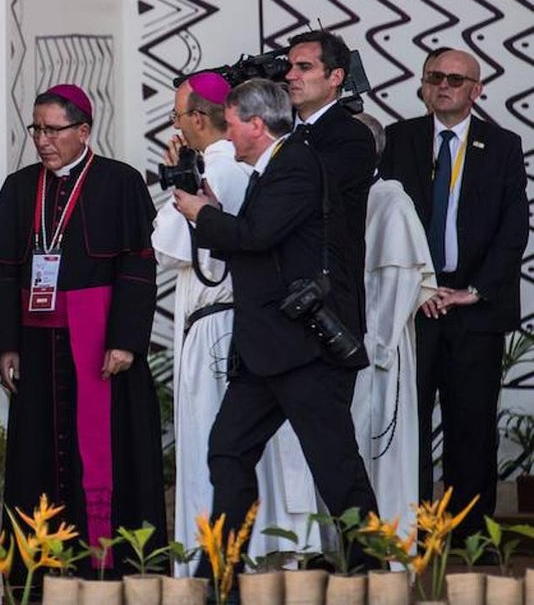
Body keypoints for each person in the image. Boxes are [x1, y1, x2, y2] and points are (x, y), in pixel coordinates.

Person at [174, 78, 377, 572]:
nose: (228, 134)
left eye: (234, 124)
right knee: (228, 451)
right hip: (267, 348)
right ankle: (221, 569)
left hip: (304, 349)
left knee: (335, 466)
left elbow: (258, 236)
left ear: (257, 126)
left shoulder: (296, 167)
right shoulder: (274, 169)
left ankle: (372, 566)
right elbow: (257, 246)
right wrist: (213, 213)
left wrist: (203, 215)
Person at [0, 84, 166, 582]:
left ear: (83, 131)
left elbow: (137, 268)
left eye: (53, 129)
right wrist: (6, 345)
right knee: (36, 453)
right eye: (36, 129)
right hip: (38, 345)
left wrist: (126, 339)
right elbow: (8, 274)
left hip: (100, 342)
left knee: (106, 451)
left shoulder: (119, 182)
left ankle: (108, 566)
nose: (42, 140)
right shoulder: (21, 187)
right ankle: (38, 573)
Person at [154, 73, 319, 574]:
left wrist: (185, 197)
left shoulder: (224, 171)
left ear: (198, 120)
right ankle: (256, 551)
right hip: (248, 323)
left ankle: (220, 558)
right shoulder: (245, 168)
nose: (175, 126)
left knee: (220, 444)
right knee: (245, 448)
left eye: (178, 116)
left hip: (218, 327)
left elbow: (165, 246)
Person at [380, 48, 527, 538]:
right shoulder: (397, 140)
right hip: (412, 309)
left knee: (471, 430)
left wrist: (474, 291)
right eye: (435, 77)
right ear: (423, 85)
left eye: (455, 79)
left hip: (474, 311)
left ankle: (470, 543)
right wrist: (416, 285)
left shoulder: (502, 144)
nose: (444, 85)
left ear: (476, 90)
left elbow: (514, 229)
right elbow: (380, 222)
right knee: (409, 429)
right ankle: (414, 536)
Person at [350, 113, 436, 528]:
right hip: (346, 346)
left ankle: (387, 544)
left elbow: (400, 282)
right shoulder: (341, 194)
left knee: (382, 449)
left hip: (377, 348)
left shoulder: (392, 202)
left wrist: (377, 344)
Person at [286, 30, 377, 324]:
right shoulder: (277, 129)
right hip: (275, 309)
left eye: (304, 67)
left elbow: (304, 192)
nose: (290, 75)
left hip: (328, 304)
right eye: (289, 66)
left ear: (335, 77)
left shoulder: (353, 136)